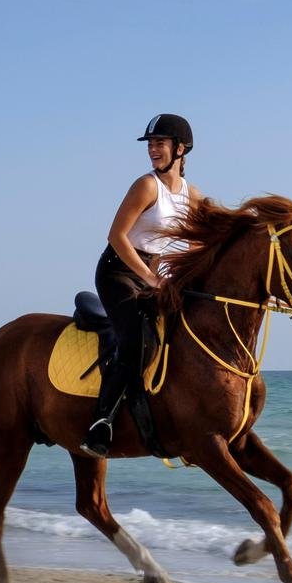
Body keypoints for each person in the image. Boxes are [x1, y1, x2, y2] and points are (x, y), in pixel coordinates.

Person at [82, 113, 202, 459]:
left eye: (159, 143)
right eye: (151, 144)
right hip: (118, 273)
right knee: (135, 341)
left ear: (181, 149)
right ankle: (100, 424)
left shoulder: (190, 195)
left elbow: (197, 248)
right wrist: (150, 277)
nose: (153, 150)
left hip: (153, 276)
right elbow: (116, 236)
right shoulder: (147, 186)